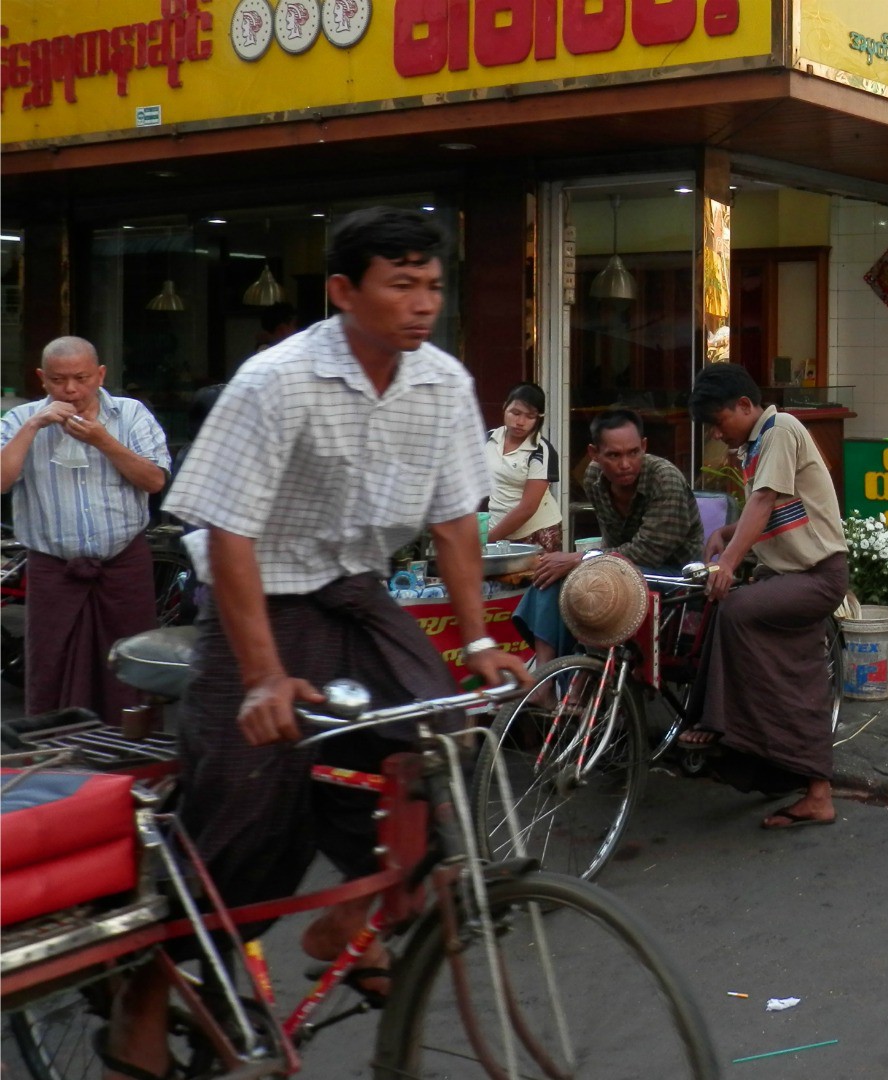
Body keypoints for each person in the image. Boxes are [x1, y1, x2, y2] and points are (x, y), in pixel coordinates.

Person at [109, 207, 530, 1079]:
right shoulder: (279, 380)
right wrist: (264, 677)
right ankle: (145, 989)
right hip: (256, 595)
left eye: (433, 287)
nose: (422, 305)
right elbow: (228, 534)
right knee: (246, 805)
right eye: (401, 284)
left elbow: (456, 520)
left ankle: (359, 916)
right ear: (344, 292)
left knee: (432, 731)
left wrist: (481, 638)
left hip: (355, 592)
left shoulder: (443, 383)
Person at [683, 363, 849, 830]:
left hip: (817, 576)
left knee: (734, 610)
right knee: (792, 680)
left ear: (744, 405)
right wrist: (728, 535)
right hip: (789, 576)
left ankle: (722, 725)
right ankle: (815, 793)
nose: (718, 433)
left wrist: (731, 561)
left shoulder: (779, 429)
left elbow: (762, 501)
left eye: (719, 422)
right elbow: (774, 510)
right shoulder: (758, 443)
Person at [0, 336, 170, 721]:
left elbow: (154, 480)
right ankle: (57, 757)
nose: (71, 389)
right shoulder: (19, 418)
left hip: (123, 564)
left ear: (100, 375)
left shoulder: (131, 415)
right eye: (59, 380)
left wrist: (104, 441)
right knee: (51, 666)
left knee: (132, 664)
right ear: (42, 378)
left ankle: (130, 756)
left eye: (81, 378)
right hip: (54, 567)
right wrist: (32, 428)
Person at [512, 408, 705, 668]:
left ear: (644, 446)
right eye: (614, 455)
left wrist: (582, 558)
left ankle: (581, 679)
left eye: (633, 453)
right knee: (550, 577)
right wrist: (583, 563)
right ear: (594, 454)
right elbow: (612, 541)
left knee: (585, 579)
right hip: (620, 567)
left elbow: (647, 553)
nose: (625, 464)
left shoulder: (664, 479)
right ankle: (546, 677)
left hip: (674, 577)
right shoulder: (594, 477)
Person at [484, 382, 564, 552]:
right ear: (505, 408)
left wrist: (489, 538)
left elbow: (528, 507)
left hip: (536, 533)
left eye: (530, 416)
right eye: (515, 412)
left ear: (539, 419)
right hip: (497, 531)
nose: (520, 422)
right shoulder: (489, 439)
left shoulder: (541, 450)